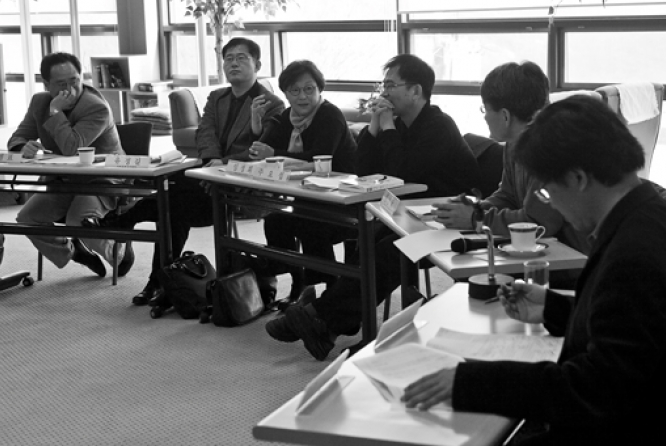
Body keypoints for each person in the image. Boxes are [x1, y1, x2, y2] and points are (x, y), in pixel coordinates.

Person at [402, 95, 666, 446]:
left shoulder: (634, 254)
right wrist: (554, 308)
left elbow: (596, 389)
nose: (550, 203)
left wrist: (471, 381)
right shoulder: (663, 212)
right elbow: (634, 328)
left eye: (545, 191)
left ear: (578, 178)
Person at [266, 54, 483, 360]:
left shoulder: (438, 125)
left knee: (387, 250)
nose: (385, 92)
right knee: (366, 239)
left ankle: (321, 318)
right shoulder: (401, 124)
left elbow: (403, 172)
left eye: (391, 85)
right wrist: (374, 127)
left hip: (452, 218)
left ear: (416, 91)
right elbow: (364, 169)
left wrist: (389, 127)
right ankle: (328, 323)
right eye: (384, 85)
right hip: (411, 214)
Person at [99, 37, 285, 305]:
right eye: (228, 58)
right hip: (207, 178)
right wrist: (211, 161)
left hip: (240, 183)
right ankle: (159, 280)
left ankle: (128, 224)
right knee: (173, 203)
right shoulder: (217, 97)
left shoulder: (271, 103)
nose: (233, 63)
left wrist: (222, 164)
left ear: (257, 65)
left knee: (172, 197)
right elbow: (205, 132)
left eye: (241, 58)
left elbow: (262, 148)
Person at [431, 61, 591, 257]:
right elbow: (508, 196)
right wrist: (475, 209)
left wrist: (476, 219)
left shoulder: (550, 149)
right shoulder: (514, 142)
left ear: (505, 116)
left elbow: (537, 222)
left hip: (569, 257)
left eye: (485, 110)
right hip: (539, 250)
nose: (484, 117)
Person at [5, 52, 131, 277]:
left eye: (74, 80)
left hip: (101, 180)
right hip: (63, 180)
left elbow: (72, 148)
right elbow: (18, 137)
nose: (70, 89)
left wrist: (55, 112)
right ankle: (72, 250)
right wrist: (23, 147)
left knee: (78, 221)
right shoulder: (39, 102)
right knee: (27, 219)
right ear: (46, 85)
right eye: (61, 84)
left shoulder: (96, 107)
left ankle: (119, 252)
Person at [250, 60, 357, 309]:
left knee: (309, 222)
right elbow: (261, 150)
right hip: (307, 195)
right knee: (275, 221)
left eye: (309, 89)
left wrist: (273, 152)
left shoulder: (329, 115)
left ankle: (328, 288)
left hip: (343, 198)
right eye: (295, 90)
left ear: (319, 90)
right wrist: (256, 124)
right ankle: (299, 282)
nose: (302, 96)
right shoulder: (286, 117)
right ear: (286, 93)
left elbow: (319, 156)